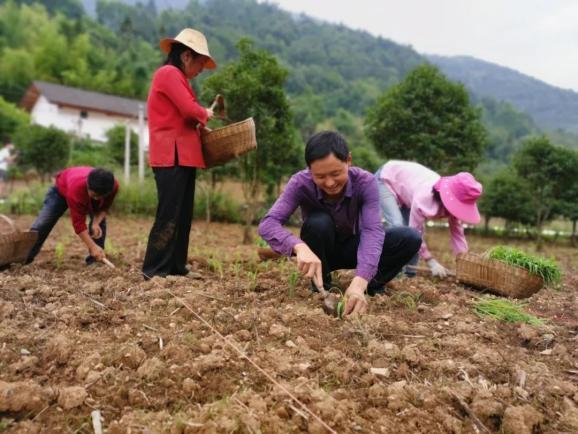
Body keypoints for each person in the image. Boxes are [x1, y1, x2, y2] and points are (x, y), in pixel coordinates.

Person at [258, 131, 422, 316]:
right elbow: (268, 224)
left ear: (348, 160)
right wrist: (298, 247)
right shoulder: (300, 183)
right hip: (320, 253)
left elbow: (372, 231)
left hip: (355, 247)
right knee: (318, 222)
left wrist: (360, 280)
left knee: (409, 237)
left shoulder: (365, 181)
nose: (329, 183)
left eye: (336, 173)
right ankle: (321, 286)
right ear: (309, 169)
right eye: (320, 176)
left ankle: (369, 286)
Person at [142, 28, 216, 279]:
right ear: (186, 56)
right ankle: (155, 270)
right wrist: (205, 113)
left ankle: (176, 266)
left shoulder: (178, 78)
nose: (201, 70)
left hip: (182, 155)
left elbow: (187, 113)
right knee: (169, 214)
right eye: (200, 63)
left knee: (182, 215)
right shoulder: (169, 73)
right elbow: (189, 110)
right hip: (170, 154)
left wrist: (200, 116)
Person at [375, 160, 483, 277]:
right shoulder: (424, 198)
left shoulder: (451, 205)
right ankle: (386, 271)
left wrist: (464, 263)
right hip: (387, 178)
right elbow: (416, 232)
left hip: (407, 191)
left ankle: (409, 274)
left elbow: (458, 235)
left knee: (409, 234)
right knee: (398, 226)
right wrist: (431, 261)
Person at [26, 166, 118, 265]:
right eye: (94, 195)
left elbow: (104, 208)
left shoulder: (112, 186)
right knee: (43, 223)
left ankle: (96, 261)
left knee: (99, 225)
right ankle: (25, 258)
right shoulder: (77, 189)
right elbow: (79, 224)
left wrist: (96, 222)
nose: (97, 199)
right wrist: (92, 246)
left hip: (83, 188)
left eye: (101, 196)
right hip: (60, 192)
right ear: (88, 185)